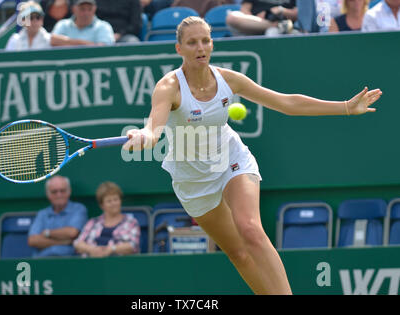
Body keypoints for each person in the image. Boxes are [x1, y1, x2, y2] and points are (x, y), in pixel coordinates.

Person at [122, 16, 382, 294]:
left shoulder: (228, 80)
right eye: (192, 42)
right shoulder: (168, 87)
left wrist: (344, 107)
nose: (201, 48)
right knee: (238, 253)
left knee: (250, 230)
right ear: (179, 49)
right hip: (192, 180)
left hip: (231, 158)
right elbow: (153, 129)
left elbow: (286, 103)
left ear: (212, 44)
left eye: (206, 41)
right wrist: (143, 137)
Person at [74, 182, 141, 257]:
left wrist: (111, 249)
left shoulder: (131, 222)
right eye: (109, 201)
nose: (113, 203)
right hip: (91, 263)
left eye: (116, 199)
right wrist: (92, 249)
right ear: (102, 205)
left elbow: (133, 245)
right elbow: (78, 243)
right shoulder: (93, 222)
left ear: (120, 201)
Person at [28, 176, 88, 257]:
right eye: (54, 192)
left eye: (62, 191)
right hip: (41, 262)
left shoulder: (79, 209)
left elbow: (72, 233)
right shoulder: (42, 214)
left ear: (69, 191)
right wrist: (63, 242)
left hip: (70, 262)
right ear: (48, 194)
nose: (59, 195)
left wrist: (47, 233)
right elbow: (32, 240)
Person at [51, 0, 115, 47]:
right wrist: (86, 44)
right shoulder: (63, 24)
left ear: (94, 9)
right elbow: (53, 40)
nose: (86, 13)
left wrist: (68, 42)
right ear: (74, 9)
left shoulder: (104, 26)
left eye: (89, 9)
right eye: (82, 9)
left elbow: (103, 49)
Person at [226, 0, 298, 36]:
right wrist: (256, 19)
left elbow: (297, 14)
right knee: (232, 17)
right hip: (254, 24)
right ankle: (279, 25)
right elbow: (244, 10)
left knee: (272, 32)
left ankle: (278, 26)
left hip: (283, 26)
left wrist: (280, 10)